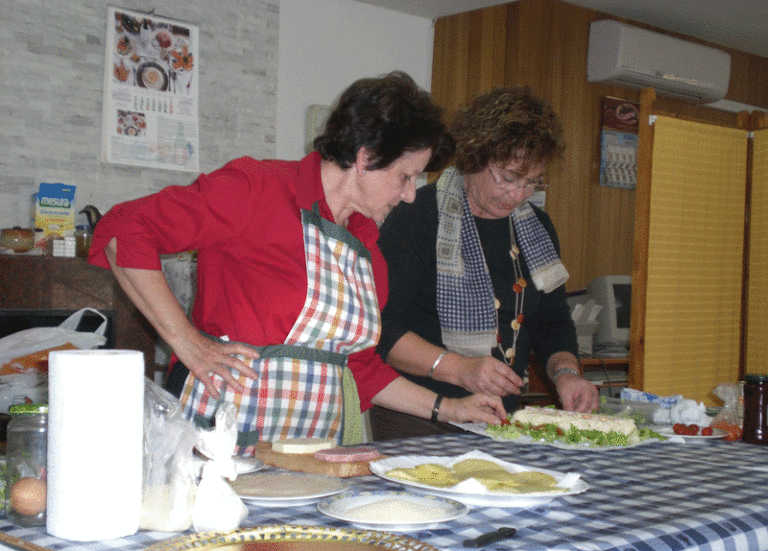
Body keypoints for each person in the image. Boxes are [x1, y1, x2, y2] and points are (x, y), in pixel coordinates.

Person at [89, 71, 506, 454]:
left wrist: (449, 408)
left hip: (313, 456)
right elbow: (125, 230)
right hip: (219, 441)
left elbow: (359, 370)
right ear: (366, 157)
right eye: (406, 176)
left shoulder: (368, 252)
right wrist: (186, 341)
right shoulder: (258, 190)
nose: (411, 194)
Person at [376, 86, 599, 430]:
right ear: (475, 156)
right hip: (420, 416)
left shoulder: (536, 228)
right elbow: (381, 329)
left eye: (533, 182)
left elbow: (551, 321)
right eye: (509, 177)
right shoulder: (417, 216)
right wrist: (461, 369)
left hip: (499, 420)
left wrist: (566, 373)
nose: (518, 194)